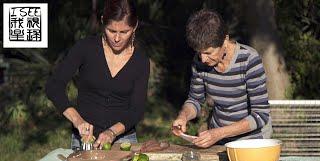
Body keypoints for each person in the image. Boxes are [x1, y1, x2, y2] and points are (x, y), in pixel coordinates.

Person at [46, 0, 150, 150]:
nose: (117, 38)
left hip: (123, 140)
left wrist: (112, 132)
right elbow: (54, 86)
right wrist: (78, 121)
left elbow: (137, 110)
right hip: (85, 139)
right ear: (102, 21)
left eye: (124, 32)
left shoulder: (141, 61)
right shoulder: (85, 48)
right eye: (111, 31)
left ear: (135, 26)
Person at [172, 9, 272, 148]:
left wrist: (219, 133)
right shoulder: (199, 62)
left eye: (208, 52)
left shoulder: (249, 60)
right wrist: (183, 116)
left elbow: (261, 115)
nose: (203, 58)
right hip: (219, 140)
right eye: (199, 53)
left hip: (252, 142)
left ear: (225, 40)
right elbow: (195, 100)